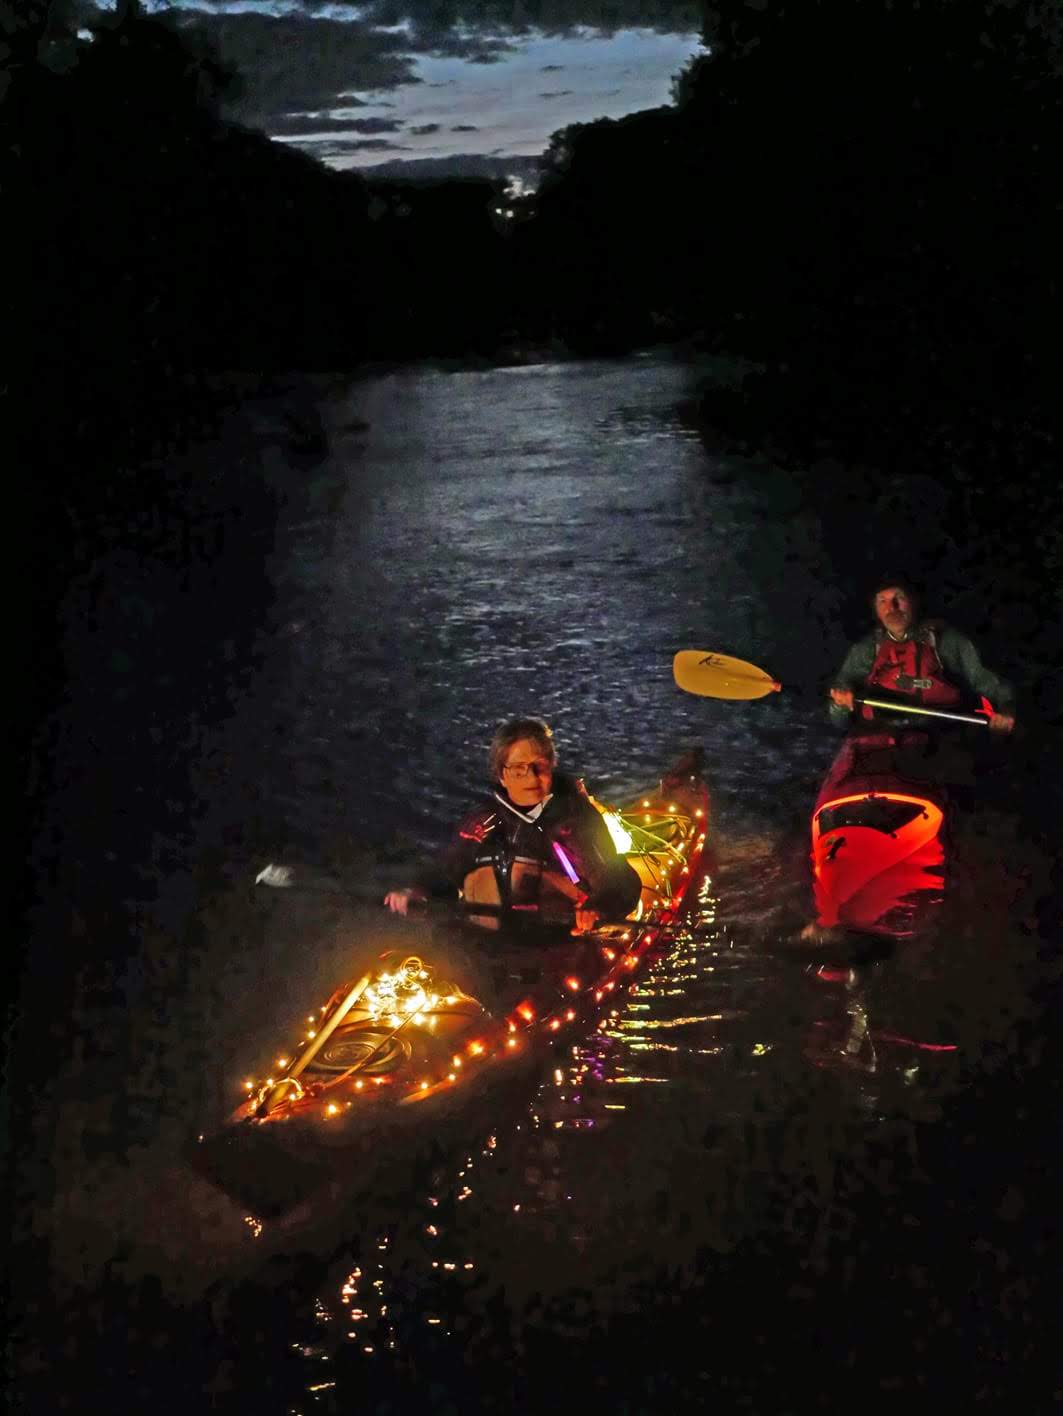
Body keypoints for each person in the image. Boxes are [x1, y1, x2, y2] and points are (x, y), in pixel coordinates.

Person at [384, 717, 643, 934]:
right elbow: (448, 874)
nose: (531, 777)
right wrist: (418, 892)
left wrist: (598, 906)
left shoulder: (574, 821)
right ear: (502, 775)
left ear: (551, 767)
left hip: (563, 940)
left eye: (538, 766)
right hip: (497, 944)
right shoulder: (483, 823)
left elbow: (619, 880)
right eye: (519, 769)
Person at [828, 577, 1016, 733]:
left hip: (941, 736)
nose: (891, 607)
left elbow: (990, 683)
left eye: (898, 598)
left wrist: (1007, 711)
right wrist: (840, 705)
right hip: (881, 736)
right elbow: (838, 720)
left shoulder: (946, 641)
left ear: (913, 602)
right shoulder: (866, 650)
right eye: (882, 601)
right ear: (876, 610)